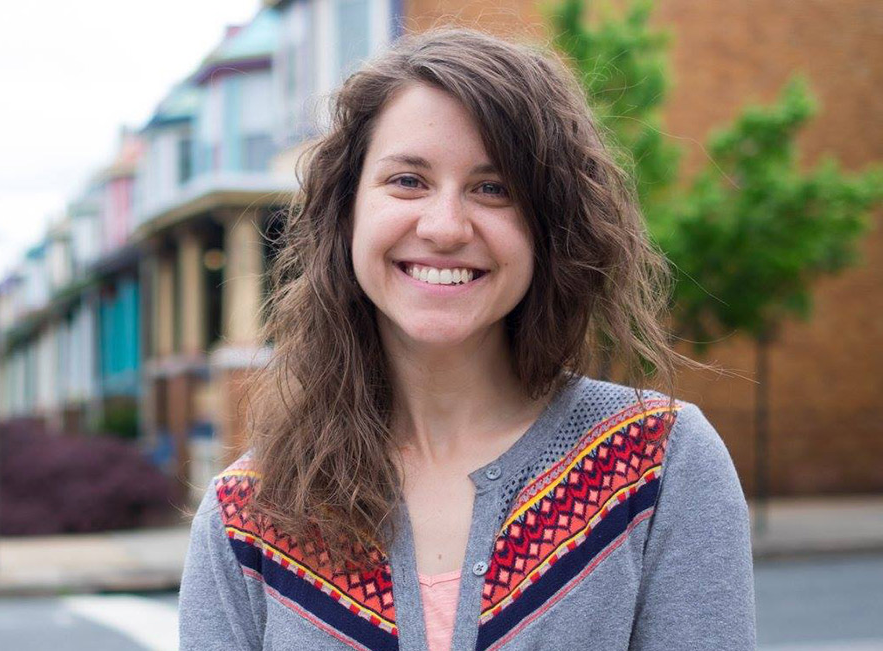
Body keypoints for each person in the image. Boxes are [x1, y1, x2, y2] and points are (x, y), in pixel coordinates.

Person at [179, 27, 754, 651]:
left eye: (493, 188)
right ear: (347, 212)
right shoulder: (250, 515)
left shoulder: (657, 463)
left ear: (548, 228)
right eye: (407, 180)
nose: (446, 227)